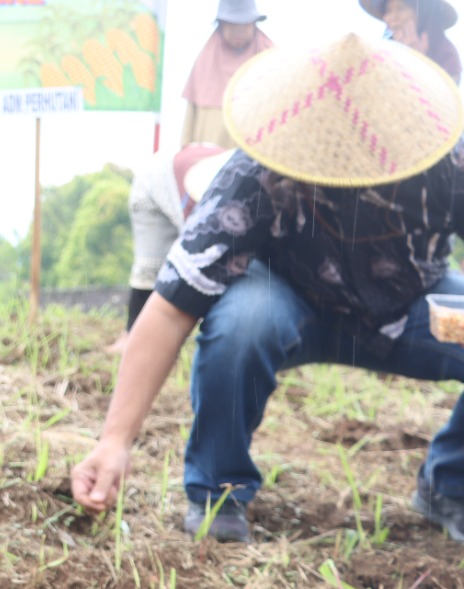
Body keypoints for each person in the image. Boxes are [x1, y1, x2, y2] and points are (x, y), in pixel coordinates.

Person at [72, 31, 464, 544]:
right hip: (288, 296)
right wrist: (114, 441)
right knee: (241, 324)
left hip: (404, 304)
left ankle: (449, 484)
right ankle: (218, 491)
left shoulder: (445, 161)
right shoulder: (259, 170)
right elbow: (170, 307)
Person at [107, 142, 229, 354]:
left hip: (196, 167)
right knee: (150, 265)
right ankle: (130, 337)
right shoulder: (212, 210)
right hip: (157, 179)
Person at [179, 0, 273, 147]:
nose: (239, 31)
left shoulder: (271, 59)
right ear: (221, 26)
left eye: (244, 25)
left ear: (254, 24)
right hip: (211, 155)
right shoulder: (205, 61)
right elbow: (190, 119)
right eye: (232, 25)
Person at [359, 0, 461, 82]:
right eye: (388, 10)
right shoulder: (382, 49)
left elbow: (447, 91)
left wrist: (418, 59)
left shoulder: (446, 54)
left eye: (401, 8)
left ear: (422, 13)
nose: (392, 17)